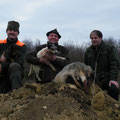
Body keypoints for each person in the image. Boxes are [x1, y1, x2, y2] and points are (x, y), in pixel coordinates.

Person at [84, 30, 120, 100]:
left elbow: (115, 64)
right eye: (92, 38)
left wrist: (113, 79)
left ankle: (114, 108)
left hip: (107, 78)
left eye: (95, 38)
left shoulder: (110, 49)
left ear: (100, 38)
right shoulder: (88, 51)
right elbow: (86, 66)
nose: (93, 40)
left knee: (114, 89)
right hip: (94, 79)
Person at [0, 20, 27, 93]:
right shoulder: (0, 43)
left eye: (14, 30)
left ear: (18, 33)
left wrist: (2, 65)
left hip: (14, 74)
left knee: (14, 66)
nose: (12, 32)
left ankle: (17, 93)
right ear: (7, 31)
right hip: (1, 75)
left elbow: (20, 62)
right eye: (10, 30)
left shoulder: (22, 46)